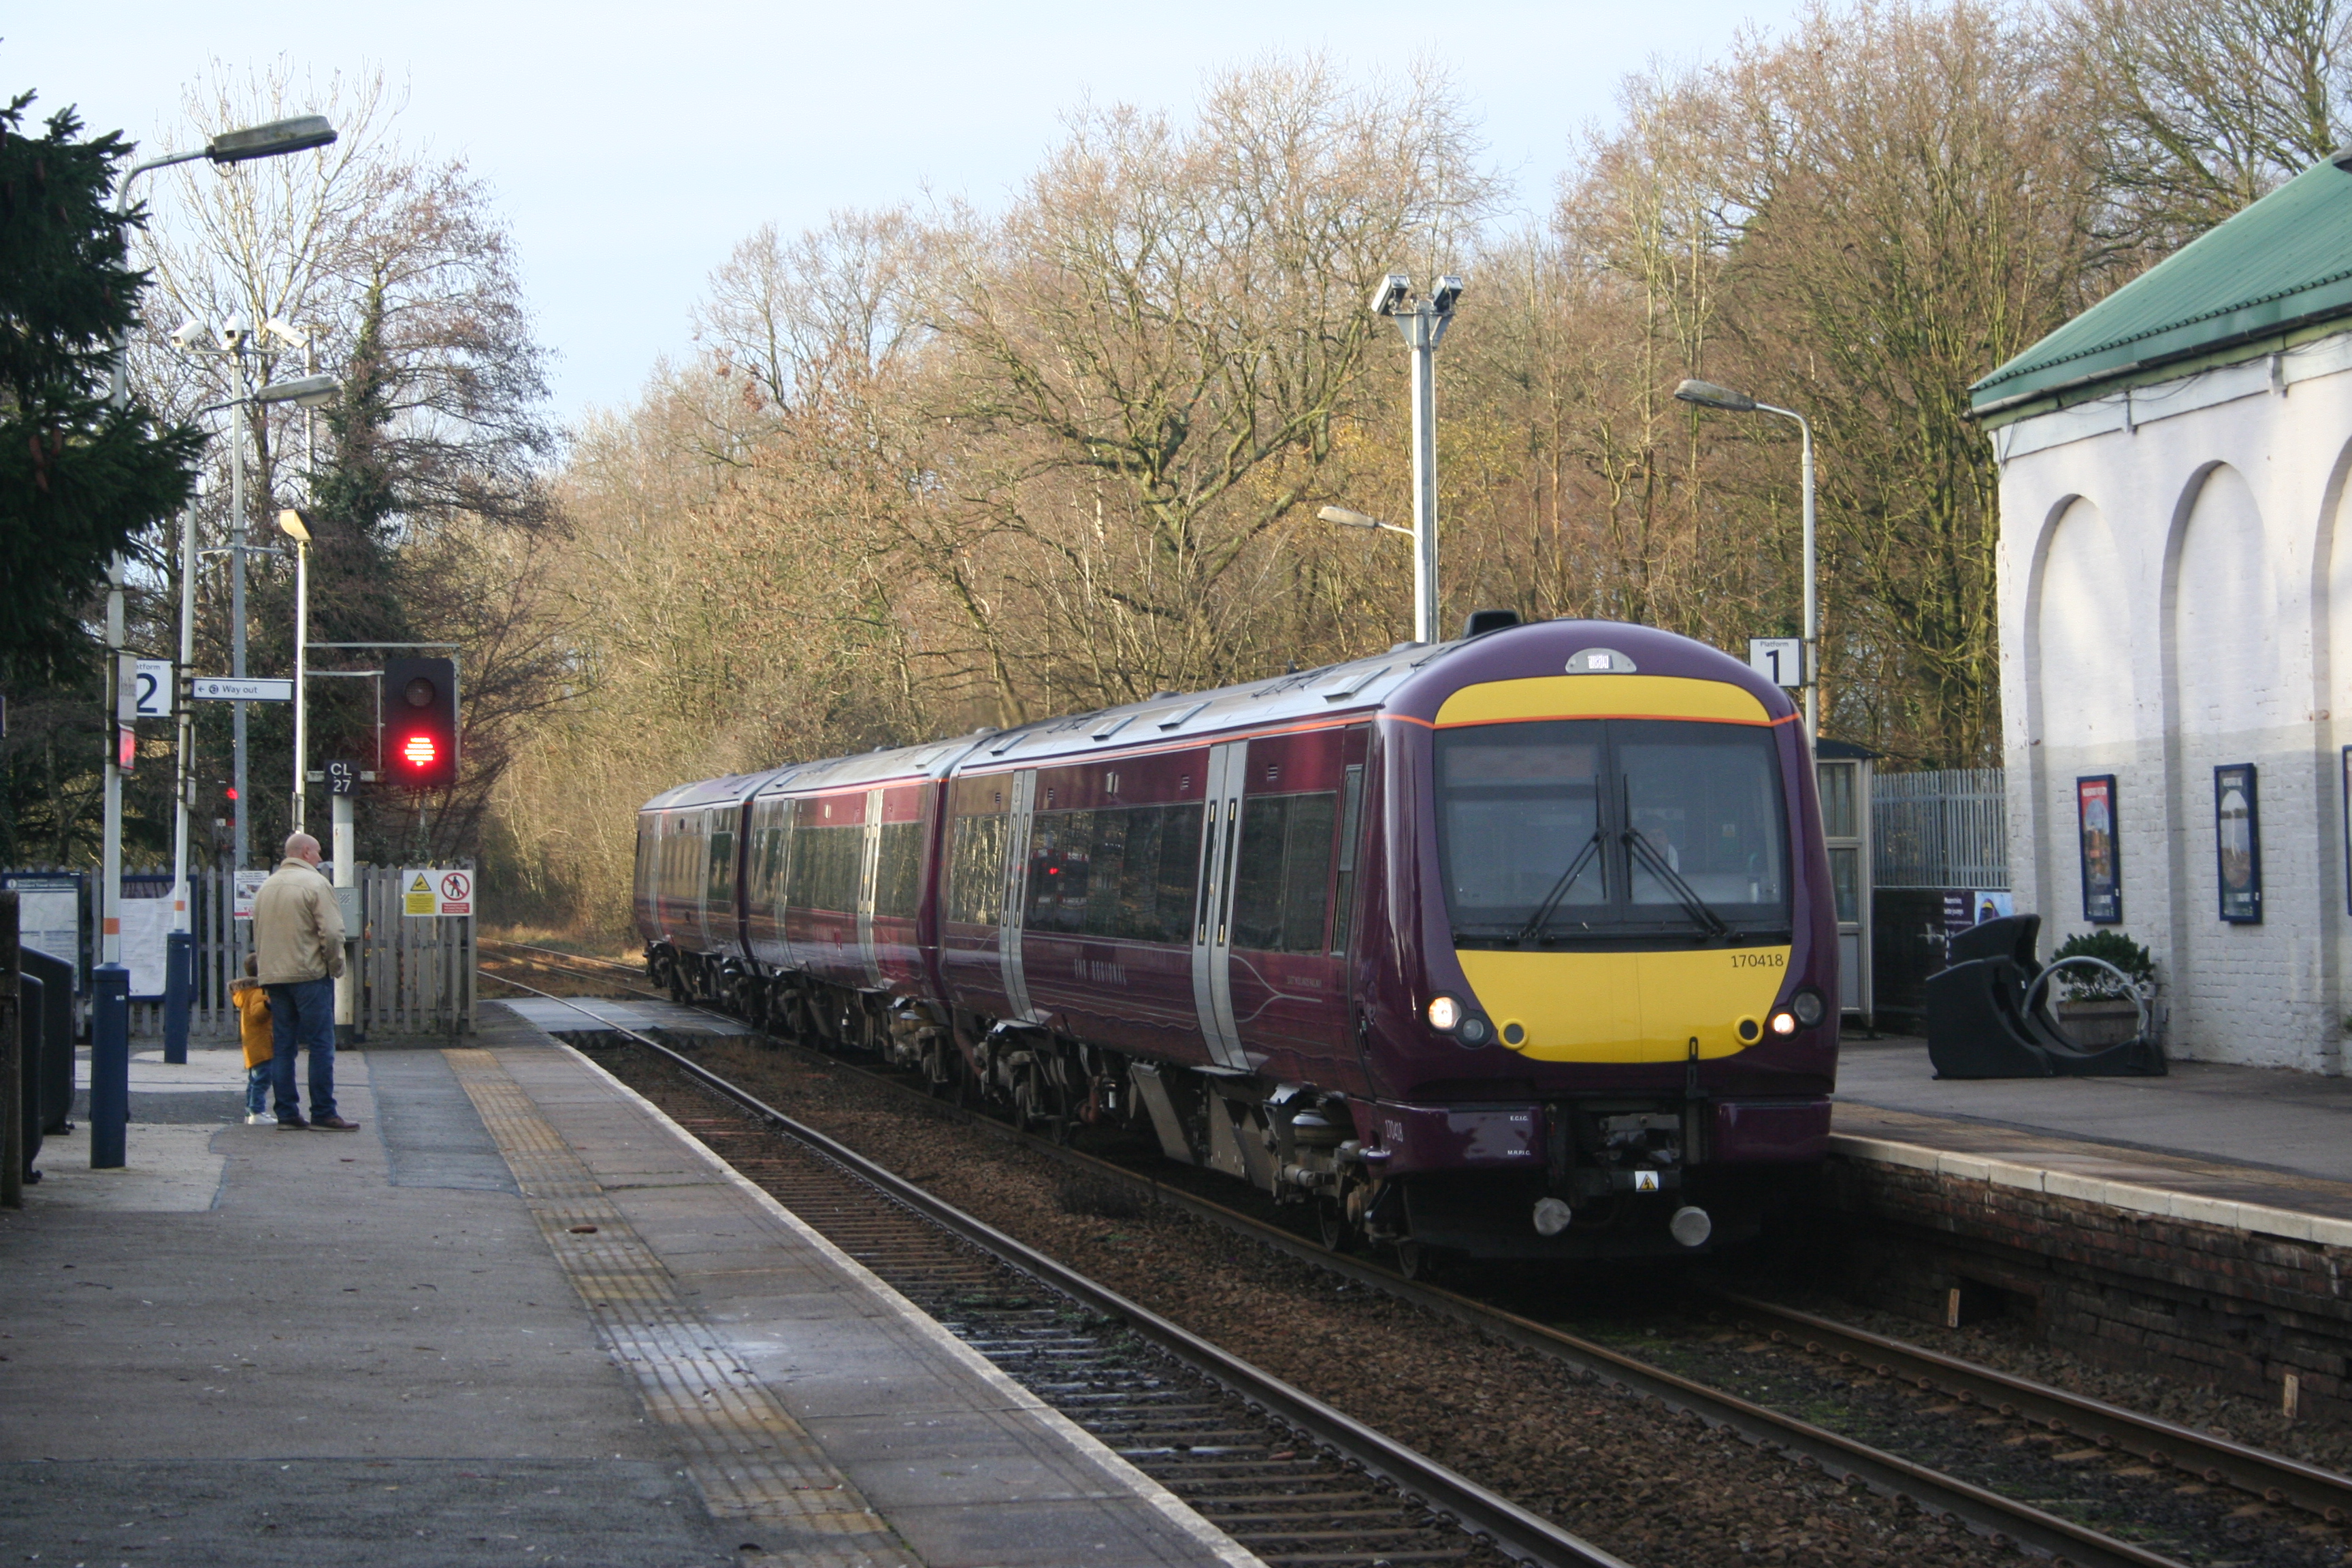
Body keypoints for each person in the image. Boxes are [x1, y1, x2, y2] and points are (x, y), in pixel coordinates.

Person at [251, 831, 359, 1130]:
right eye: (319, 852)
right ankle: (323, 1112)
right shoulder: (316, 884)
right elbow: (334, 933)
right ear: (306, 852)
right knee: (321, 1044)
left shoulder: (266, 888)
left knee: (284, 1046)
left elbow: (258, 933)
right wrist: (335, 966)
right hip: (310, 975)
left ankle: (286, 1114)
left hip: (274, 976)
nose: (321, 858)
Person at [229, 954, 278, 1125]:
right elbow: (257, 1014)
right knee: (262, 1079)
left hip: (253, 1043)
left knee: (254, 1079)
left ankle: (250, 1112)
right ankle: (257, 1112)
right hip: (262, 1043)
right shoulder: (258, 992)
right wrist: (269, 1004)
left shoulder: (246, 992)